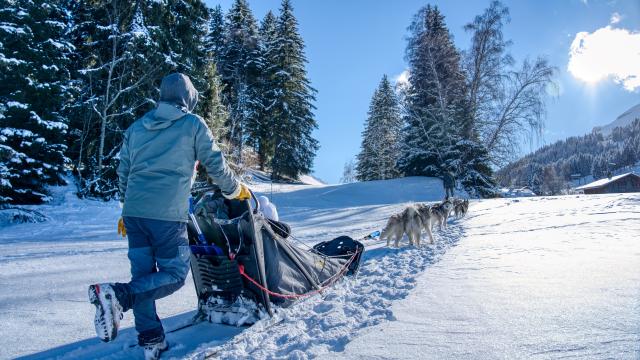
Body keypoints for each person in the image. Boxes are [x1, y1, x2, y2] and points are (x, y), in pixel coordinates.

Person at [88, 73, 250, 360]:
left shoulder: (137, 128)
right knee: (174, 275)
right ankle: (117, 296)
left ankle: (151, 340)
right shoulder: (192, 124)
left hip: (135, 214)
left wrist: (128, 208)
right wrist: (235, 190)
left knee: (143, 277)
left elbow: (123, 172)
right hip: (167, 217)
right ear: (187, 98)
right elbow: (214, 162)